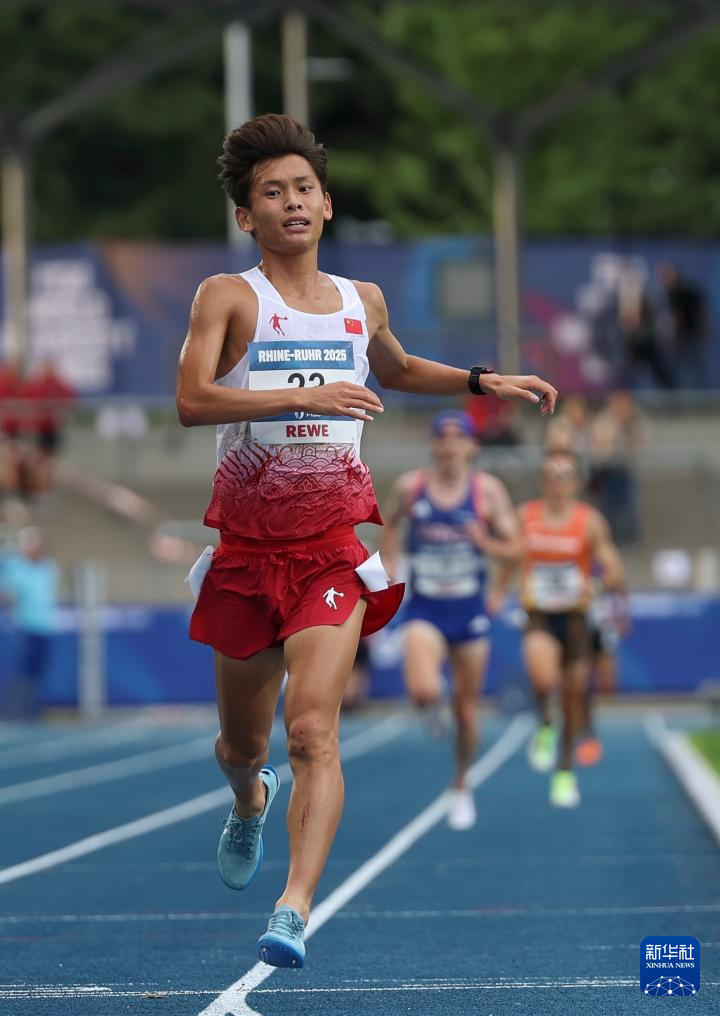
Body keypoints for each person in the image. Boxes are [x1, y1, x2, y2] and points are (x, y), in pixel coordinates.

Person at [176, 113, 557, 969]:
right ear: (246, 215)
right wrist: (298, 398)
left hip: (330, 551)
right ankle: (249, 798)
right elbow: (192, 401)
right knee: (243, 746)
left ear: (326, 203)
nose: (291, 202)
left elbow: (394, 367)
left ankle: (294, 909)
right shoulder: (228, 297)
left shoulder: (362, 300)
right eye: (272, 192)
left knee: (313, 731)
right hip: (246, 555)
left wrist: (481, 379)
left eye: (303, 188)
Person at [381, 409, 521, 831]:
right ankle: (431, 705)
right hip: (425, 607)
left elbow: (517, 548)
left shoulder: (488, 492)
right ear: (433, 444)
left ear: (473, 446)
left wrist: (491, 559)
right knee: (423, 690)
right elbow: (388, 523)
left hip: (469, 610)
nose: (450, 445)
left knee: (467, 711)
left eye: (459, 437)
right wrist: (390, 563)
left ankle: (461, 783)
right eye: (443, 436)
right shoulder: (411, 487)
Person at [494, 450, 623, 808]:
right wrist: (499, 590)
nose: (557, 483)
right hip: (539, 615)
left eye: (565, 475)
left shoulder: (590, 522)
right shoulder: (526, 517)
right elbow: (511, 557)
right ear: (542, 481)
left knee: (572, 698)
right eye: (551, 475)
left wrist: (599, 584)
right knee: (543, 680)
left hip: (576, 619)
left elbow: (613, 568)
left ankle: (565, 772)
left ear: (576, 482)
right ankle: (545, 724)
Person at [0, 527, 59, 719]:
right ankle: (16, 711)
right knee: (21, 671)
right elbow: (6, 594)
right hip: (24, 627)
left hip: (46, 626)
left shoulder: (49, 566)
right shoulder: (14, 566)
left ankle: (34, 710)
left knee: (39, 670)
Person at [576, 579, 630, 766]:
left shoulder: (608, 567)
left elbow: (619, 583)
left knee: (608, 687)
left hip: (604, 630)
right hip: (582, 628)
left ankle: (587, 724)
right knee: (581, 686)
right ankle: (587, 733)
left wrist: (623, 616)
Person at [658, 263, 707, 390]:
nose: (664, 279)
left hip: (685, 336)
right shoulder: (683, 290)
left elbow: (678, 316)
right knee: (689, 369)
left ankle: (691, 394)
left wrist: (673, 336)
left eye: (666, 275)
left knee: (689, 369)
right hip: (687, 335)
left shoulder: (679, 292)